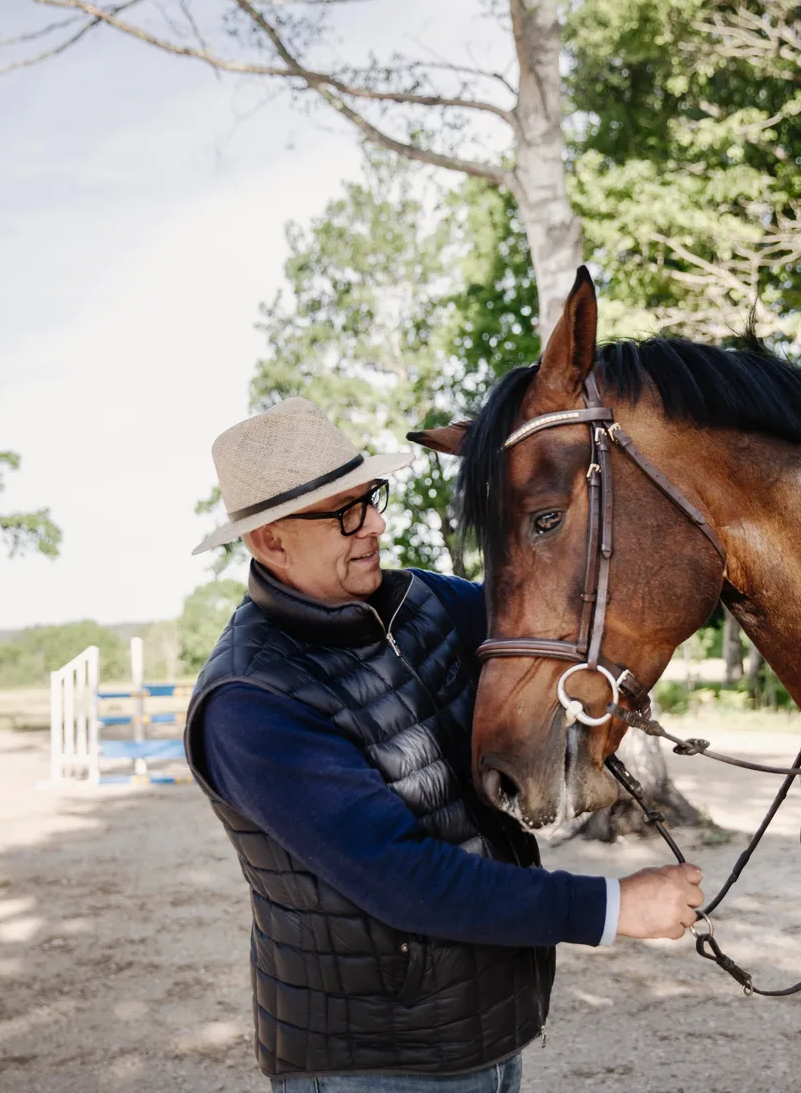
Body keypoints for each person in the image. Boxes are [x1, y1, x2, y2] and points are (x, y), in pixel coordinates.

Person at [183, 397, 705, 1091]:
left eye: (369, 497)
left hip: (483, 1030)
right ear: (270, 542)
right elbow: (408, 880)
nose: (373, 524)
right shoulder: (251, 701)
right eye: (342, 513)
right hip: (372, 1064)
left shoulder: (425, 603)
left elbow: (556, 613)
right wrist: (615, 908)